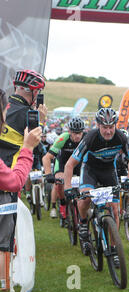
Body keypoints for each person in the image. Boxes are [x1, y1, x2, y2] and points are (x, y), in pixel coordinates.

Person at [63, 108, 129, 262]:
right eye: (105, 127)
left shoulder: (121, 137)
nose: (109, 131)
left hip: (109, 171)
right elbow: (70, 164)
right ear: (98, 125)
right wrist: (68, 187)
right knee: (85, 198)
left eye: (111, 127)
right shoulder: (90, 137)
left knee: (115, 210)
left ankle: (113, 248)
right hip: (90, 170)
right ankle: (83, 222)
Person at [0, 87, 42, 254]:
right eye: (4, 113)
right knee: (3, 248)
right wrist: (28, 147)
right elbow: (15, 182)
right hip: (8, 185)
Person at [42, 116, 85, 220]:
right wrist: (48, 174)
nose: (78, 136)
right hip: (62, 163)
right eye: (75, 133)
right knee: (59, 183)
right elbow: (47, 157)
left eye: (80, 133)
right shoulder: (63, 138)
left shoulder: (86, 138)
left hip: (77, 164)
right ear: (70, 132)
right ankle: (62, 203)